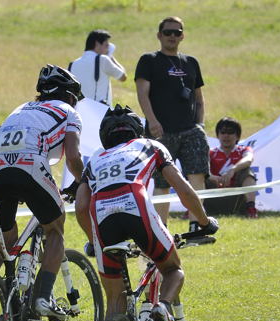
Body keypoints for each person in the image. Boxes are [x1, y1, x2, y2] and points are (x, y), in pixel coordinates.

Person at [75, 105, 218, 321]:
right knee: (173, 269)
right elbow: (181, 186)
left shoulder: (95, 158)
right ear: (135, 129)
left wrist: (93, 241)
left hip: (102, 217)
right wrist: (203, 221)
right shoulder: (150, 145)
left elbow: (82, 206)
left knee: (115, 301)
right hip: (136, 206)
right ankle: (161, 309)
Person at [0, 64, 85, 320]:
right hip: (31, 166)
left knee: (5, 239)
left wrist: (0, 183)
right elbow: (73, 158)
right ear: (70, 96)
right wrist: (85, 181)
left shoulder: (20, 110)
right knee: (55, 229)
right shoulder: (68, 112)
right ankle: (43, 298)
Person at [135, 16, 209, 230]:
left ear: (182, 36)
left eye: (177, 32)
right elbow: (142, 94)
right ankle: (162, 228)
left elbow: (199, 98)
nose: (172, 36)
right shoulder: (148, 60)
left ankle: (197, 225)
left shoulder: (191, 62)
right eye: (168, 32)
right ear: (159, 35)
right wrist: (152, 121)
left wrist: (200, 125)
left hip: (190, 130)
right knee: (162, 182)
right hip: (161, 132)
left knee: (197, 176)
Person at [204, 117, 259, 218]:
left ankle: (251, 208)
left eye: (230, 132)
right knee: (198, 175)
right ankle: (193, 209)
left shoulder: (244, 150)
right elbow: (201, 170)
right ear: (218, 135)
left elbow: (248, 159)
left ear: (237, 136)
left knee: (247, 172)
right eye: (223, 132)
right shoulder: (210, 152)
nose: (226, 136)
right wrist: (212, 177)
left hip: (237, 200)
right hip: (213, 197)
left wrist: (232, 170)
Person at [68, 29, 126, 105]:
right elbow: (123, 77)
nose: (107, 49)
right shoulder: (103, 59)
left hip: (79, 112)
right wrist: (111, 57)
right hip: (100, 112)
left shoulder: (72, 64)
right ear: (97, 44)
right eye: (106, 45)